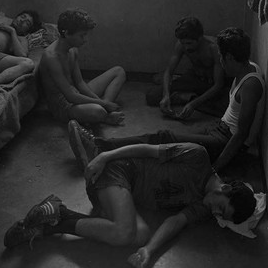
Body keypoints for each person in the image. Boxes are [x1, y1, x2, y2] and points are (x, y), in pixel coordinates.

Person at [3, 133, 256, 268]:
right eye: (221, 209)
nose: (216, 214)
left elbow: (175, 221)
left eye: (222, 217)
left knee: (141, 236)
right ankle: (58, 215)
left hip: (120, 195)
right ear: (224, 188)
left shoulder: (204, 205)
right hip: (118, 170)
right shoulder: (197, 157)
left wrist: (149, 251)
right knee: (124, 233)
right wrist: (104, 155)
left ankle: (55, 220)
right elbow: (146, 149)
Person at [71, 28, 265, 172]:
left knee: (165, 139)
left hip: (225, 140)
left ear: (230, 57)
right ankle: (107, 150)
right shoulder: (249, 66)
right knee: (168, 146)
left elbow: (241, 136)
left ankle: (99, 146)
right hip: (219, 128)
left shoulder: (250, 86)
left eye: (222, 58)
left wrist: (215, 168)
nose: (220, 62)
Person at [40, 8, 126, 126]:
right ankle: (105, 116)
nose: (85, 40)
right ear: (66, 33)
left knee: (119, 71)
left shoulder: (72, 49)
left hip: (76, 94)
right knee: (98, 110)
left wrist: (101, 102)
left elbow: (80, 83)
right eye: (82, 36)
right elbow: (70, 96)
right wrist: (103, 105)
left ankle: (101, 111)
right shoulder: (51, 57)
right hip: (63, 106)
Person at [146, 17, 227, 120]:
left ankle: (188, 98)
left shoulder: (213, 48)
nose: (186, 47)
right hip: (194, 78)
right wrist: (165, 95)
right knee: (152, 95)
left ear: (200, 38)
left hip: (210, 85)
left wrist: (193, 104)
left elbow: (218, 85)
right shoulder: (181, 45)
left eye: (189, 43)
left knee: (226, 107)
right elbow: (169, 71)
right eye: (183, 43)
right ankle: (185, 96)